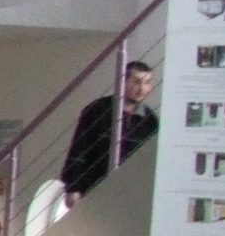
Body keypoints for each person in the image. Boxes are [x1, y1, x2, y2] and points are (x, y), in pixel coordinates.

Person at [59, 61, 157, 203]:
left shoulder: (150, 121)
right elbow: (78, 150)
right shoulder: (97, 110)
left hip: (132, 196)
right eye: (137, 81)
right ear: (123, 81)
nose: (142, 88)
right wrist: (73, 189)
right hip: (94, 191)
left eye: (147, 82)